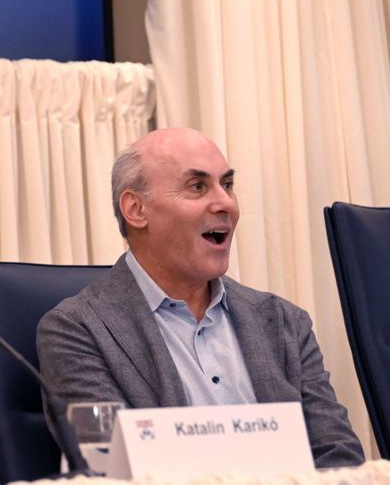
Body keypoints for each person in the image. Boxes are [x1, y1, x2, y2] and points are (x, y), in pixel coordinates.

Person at [36, 127, 364, 468]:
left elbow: (339, 458)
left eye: (228, 185)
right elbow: (109, 468)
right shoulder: (75, 332)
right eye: (197, 187)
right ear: (136, 209)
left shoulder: (284, 322)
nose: (225, 203)